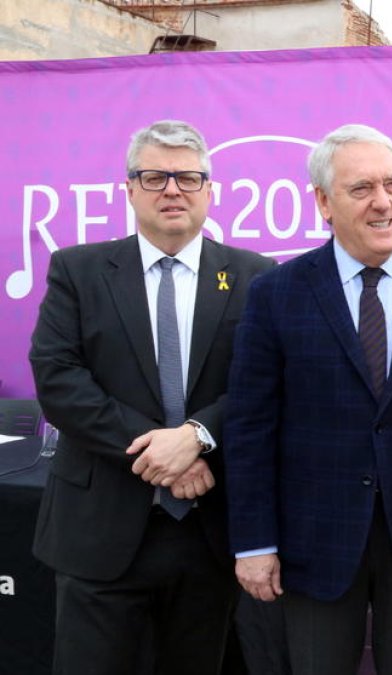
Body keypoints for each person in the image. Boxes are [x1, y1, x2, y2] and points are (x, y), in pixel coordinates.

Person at [223, 123, 392, 675]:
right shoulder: (276, 293)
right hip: (312, 542)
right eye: (361, 188)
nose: (382, 202)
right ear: (323, 201)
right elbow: (250, 429)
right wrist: (253, 542)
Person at [28, 120, 275, 674]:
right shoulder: (78, 269)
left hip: (209, 533)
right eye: (155, 176)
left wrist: (196, 436)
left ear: (210, 190)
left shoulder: (256, 276)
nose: (172, 189)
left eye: (188, 177)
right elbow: (58, 379)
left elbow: (267, 384)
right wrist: (161, 456)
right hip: (100, 529)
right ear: (130, 188)